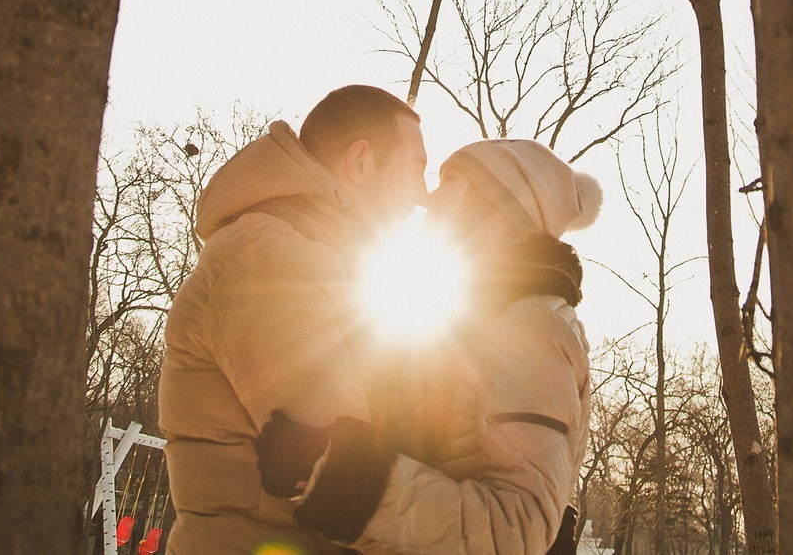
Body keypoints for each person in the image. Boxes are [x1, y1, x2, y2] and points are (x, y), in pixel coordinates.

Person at [256, 138, 602, 555]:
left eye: (451, 182)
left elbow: (519, 525)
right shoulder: (472, 321)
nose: (429, 199)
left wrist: (342, 476)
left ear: (495, 210)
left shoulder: (530, 328)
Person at [158, 84, 428, 555]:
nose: (423, 195)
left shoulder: (316, 262)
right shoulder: (268, 259)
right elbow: (349, 486)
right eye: (415, 169)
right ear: (361, 162)